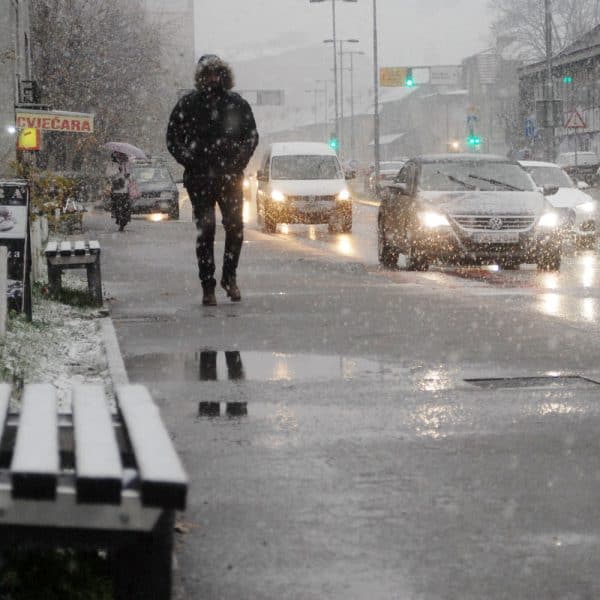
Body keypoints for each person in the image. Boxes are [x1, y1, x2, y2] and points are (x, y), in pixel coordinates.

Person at [166, 54, 259, 306]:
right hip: (200, 180)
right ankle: (208, 286)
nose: (212, 78)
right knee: (205, 232)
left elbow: (251, 136)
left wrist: (238, 162)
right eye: (207, 74)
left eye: (216, 73)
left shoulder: (236, 104)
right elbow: (172, 138)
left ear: (223, 75)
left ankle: (229, 277)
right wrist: (190, 160)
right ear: (200, 77)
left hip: (229, 177)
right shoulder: (188, 105)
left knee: (235, 229)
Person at [105, 152, 131, 231]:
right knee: (117, 207)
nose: (120, 159)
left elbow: (130, 175)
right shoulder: (112, 164)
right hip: (116, 190)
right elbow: (108, 174)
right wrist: (117, 171)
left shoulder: (126, 164)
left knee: (125, 208)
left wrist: (127, 175)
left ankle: (123, 222)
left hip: (125, 190)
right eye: (118, 157)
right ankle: (119, 220)